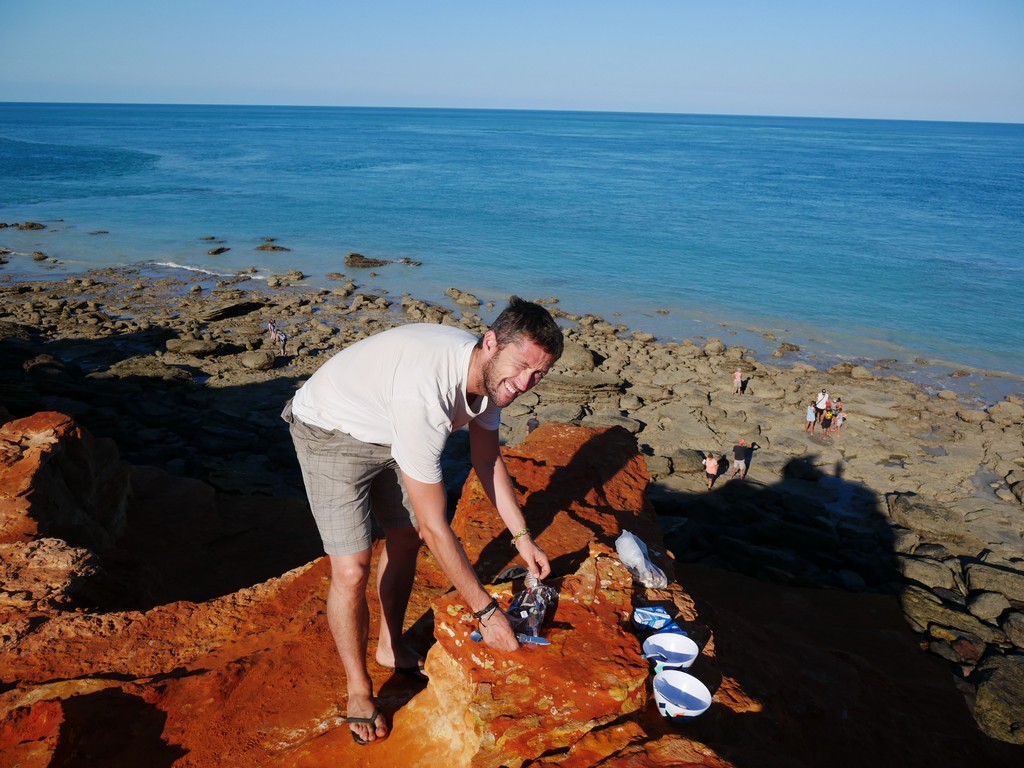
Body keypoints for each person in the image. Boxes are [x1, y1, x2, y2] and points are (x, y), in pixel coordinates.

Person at [282, 297, 563, 745]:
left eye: (539, 374)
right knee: (351, 569)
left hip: (392, 426)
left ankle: (390, 645)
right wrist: (487, 612)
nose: (526, 383)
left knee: (407, 536)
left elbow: (487, 459)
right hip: (332, 429)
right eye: (523, 366)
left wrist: (523, 537)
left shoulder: (493, 380)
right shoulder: (429, 392)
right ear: (491, 342)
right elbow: (437, 527)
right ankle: (358, 690)